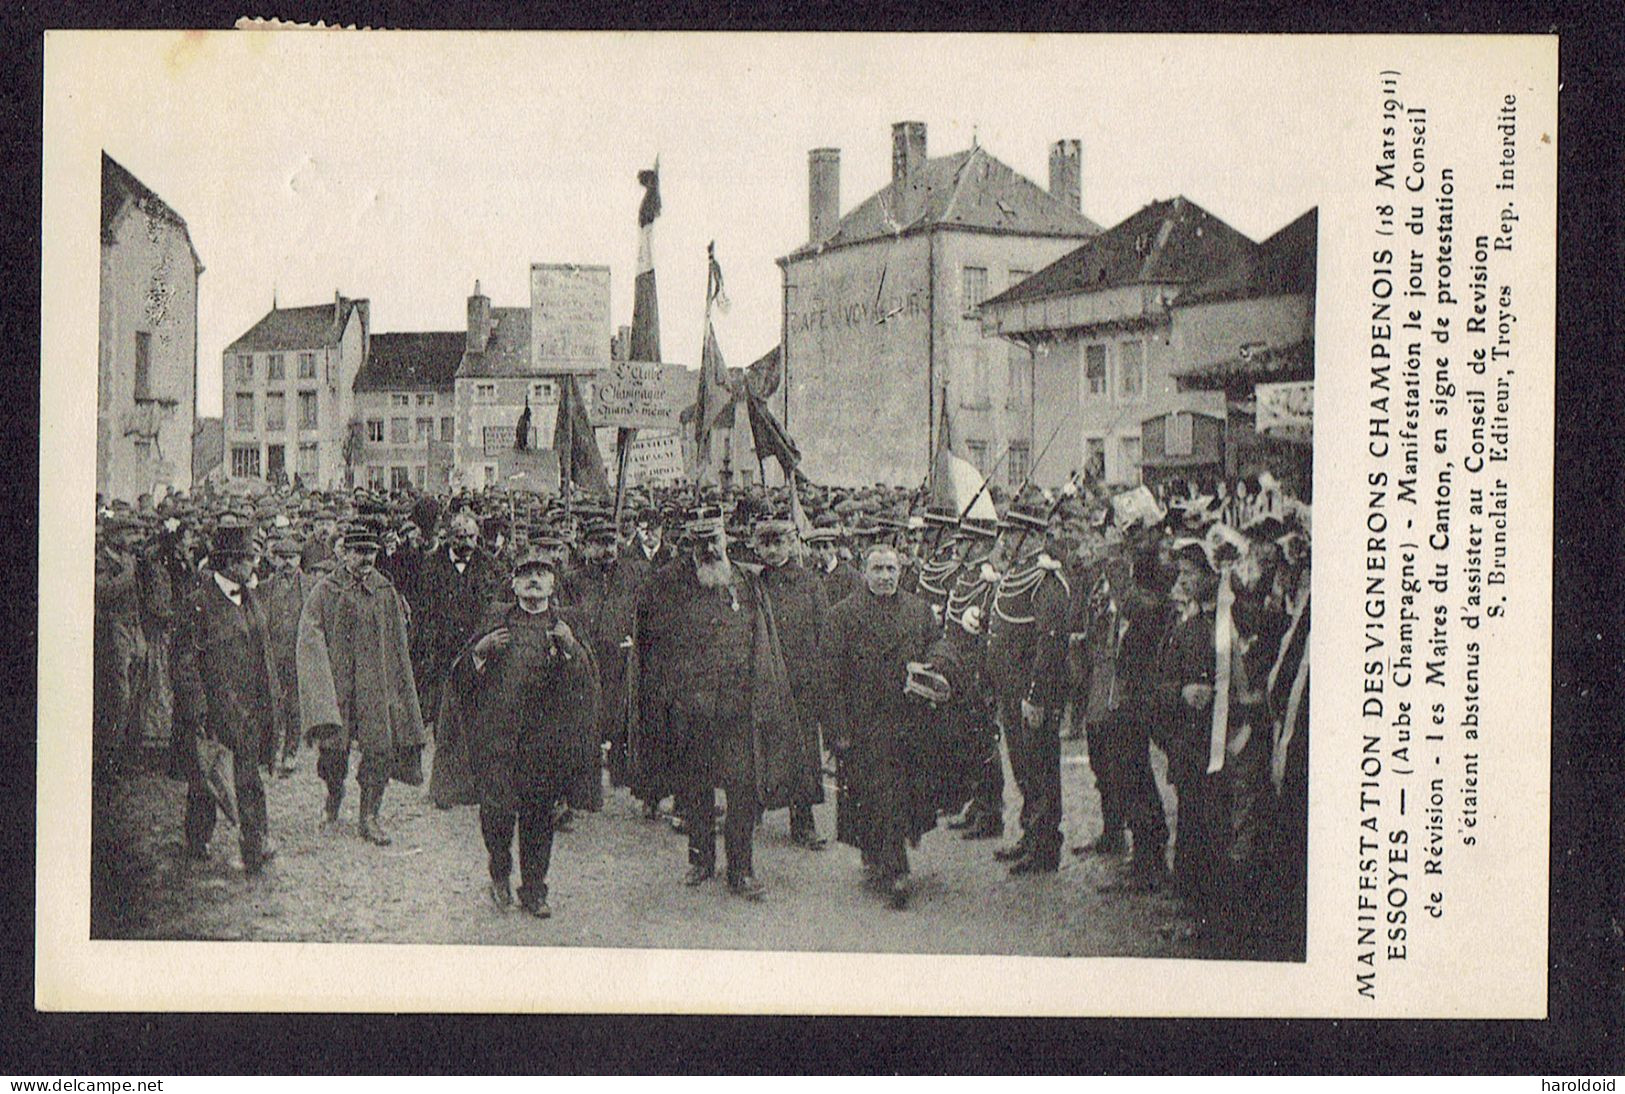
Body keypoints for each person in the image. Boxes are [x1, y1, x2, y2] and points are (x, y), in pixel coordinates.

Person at [631, 503, 814, 900]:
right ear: (688, 544)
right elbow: (655, 644)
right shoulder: (670, 585)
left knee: (743, 792)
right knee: (695, 789)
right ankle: (700, 860)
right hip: (693, 710)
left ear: (725, 539)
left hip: (738, 709)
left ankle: (741, 869)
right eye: (699, 542)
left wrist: (763, 697)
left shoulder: (747, 582)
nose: (707, 549)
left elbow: (763, 642)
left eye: (713, 540)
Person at [442, 545, 601, 918]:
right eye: (526, 573)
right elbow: (461, 680)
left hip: (542, 744)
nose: (533, 579)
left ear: (552, 584)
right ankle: (499, 873)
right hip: (498, 739)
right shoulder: (495, 620)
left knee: (538, 818)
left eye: (542, 573)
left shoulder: (566, 625)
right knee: (496, 815)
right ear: (513, 583)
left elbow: (588, 684)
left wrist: (571, 650)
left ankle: (535, 889)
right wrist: (479, 652)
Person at [822, 544, 943, 908]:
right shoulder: (842, 615)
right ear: (864, 572)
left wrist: (934, 666)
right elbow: (829, 677)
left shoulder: (918, 611)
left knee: (900, 795)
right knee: (878, 794)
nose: (886, 576)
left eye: (892, 569)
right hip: (865, 724)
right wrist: (837, 728)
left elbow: (937, 646)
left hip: (909, 720)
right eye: (878, 569)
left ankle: (886, 857)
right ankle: (895, 869)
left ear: (901, 571)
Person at [297, 517, 427, 845]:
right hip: (338, 683)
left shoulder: (384, 590)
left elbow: (398, 643)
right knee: (332, 751)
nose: (365, 558)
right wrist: (320, 684)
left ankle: (369, 814)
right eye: (358, 551)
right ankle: (333, 794)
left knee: (379, 749)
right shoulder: (325, 590)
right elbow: (310, 636)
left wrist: (396, 686)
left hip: (374, 685)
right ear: (344, 553)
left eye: (370, 552)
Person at [169, 516, 286, 874]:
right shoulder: (198, 602)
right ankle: (197, 837)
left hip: (248, 709)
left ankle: (255, 843)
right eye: (248, 559)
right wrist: (198, 709)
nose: (254, 565)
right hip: (213, 710)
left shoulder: (250, 597)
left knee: (248, 779)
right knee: (207, 781)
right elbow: (184, 662)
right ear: (229, 562)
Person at [984, 499, 1072, 875]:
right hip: (1010, 690)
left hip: (1031, 694)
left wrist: (1036, 696)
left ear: (1033, 537)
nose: (1006, 540)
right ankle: (1030, 833)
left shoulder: (1046, 581)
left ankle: (1045, 845)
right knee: (1022, 765)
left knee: (1040, 768)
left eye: (1014, 533)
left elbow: (1049, 644)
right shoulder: (1017, 574)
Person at [751, 507, 830, 850]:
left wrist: (818, 677)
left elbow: (823, 632)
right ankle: (751, 812)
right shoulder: (754, 582)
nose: (772, 550)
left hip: (801, 681)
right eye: (765, 543)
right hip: (765, 678)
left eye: (778, 542)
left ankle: (804, 822)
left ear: (791, 542)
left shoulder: (810, 582)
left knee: (802, 753)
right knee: (760, 748)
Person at [930, 515, 1005, 840]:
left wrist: (982, 676)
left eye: (963, 542)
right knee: (967, 740)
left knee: (984, 741)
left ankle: (992, 813)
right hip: (958, 669)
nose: (957, 546)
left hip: (977, 671)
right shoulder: (964, 578)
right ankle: (977, 804)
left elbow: (987, 630)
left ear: (979, 545)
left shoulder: (989, 581)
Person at [413, 510, 503, 719]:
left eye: (471, 537)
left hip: (478, 649)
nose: (467, 543)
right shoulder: (430, 565)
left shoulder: (490, 566)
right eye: (460, 537)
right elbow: (423, 611)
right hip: (441, 651)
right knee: (443, 715)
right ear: (449, 536)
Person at [805, 515, 863, 605]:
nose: (821, 552)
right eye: (816, 548)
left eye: (826, 547)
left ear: (835, 548)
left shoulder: (850, 574)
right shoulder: (808, 575)